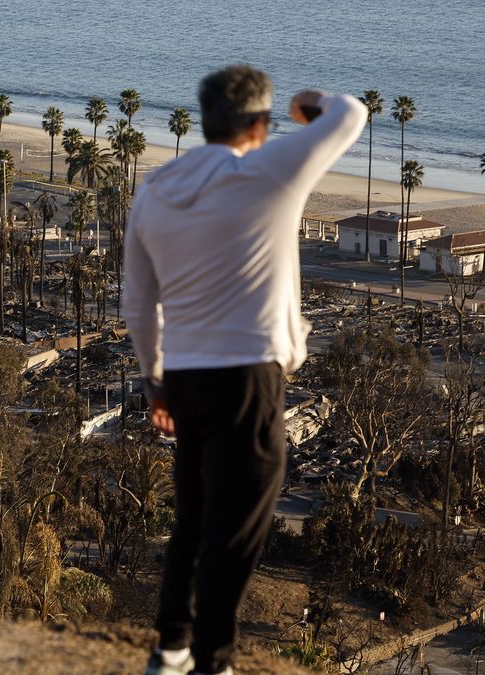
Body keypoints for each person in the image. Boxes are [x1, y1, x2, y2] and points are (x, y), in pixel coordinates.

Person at [123, 65, 366, 675]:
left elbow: (138, 299)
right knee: (241, 524)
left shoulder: (155, 189)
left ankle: (172, 648)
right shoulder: (272, 169)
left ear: (205, 122)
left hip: (183, 374)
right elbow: (352, 113)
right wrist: (307, 104)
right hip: (248, 377)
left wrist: (155, 380)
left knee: (196, 516)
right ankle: (215, 661)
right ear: (259, 125)